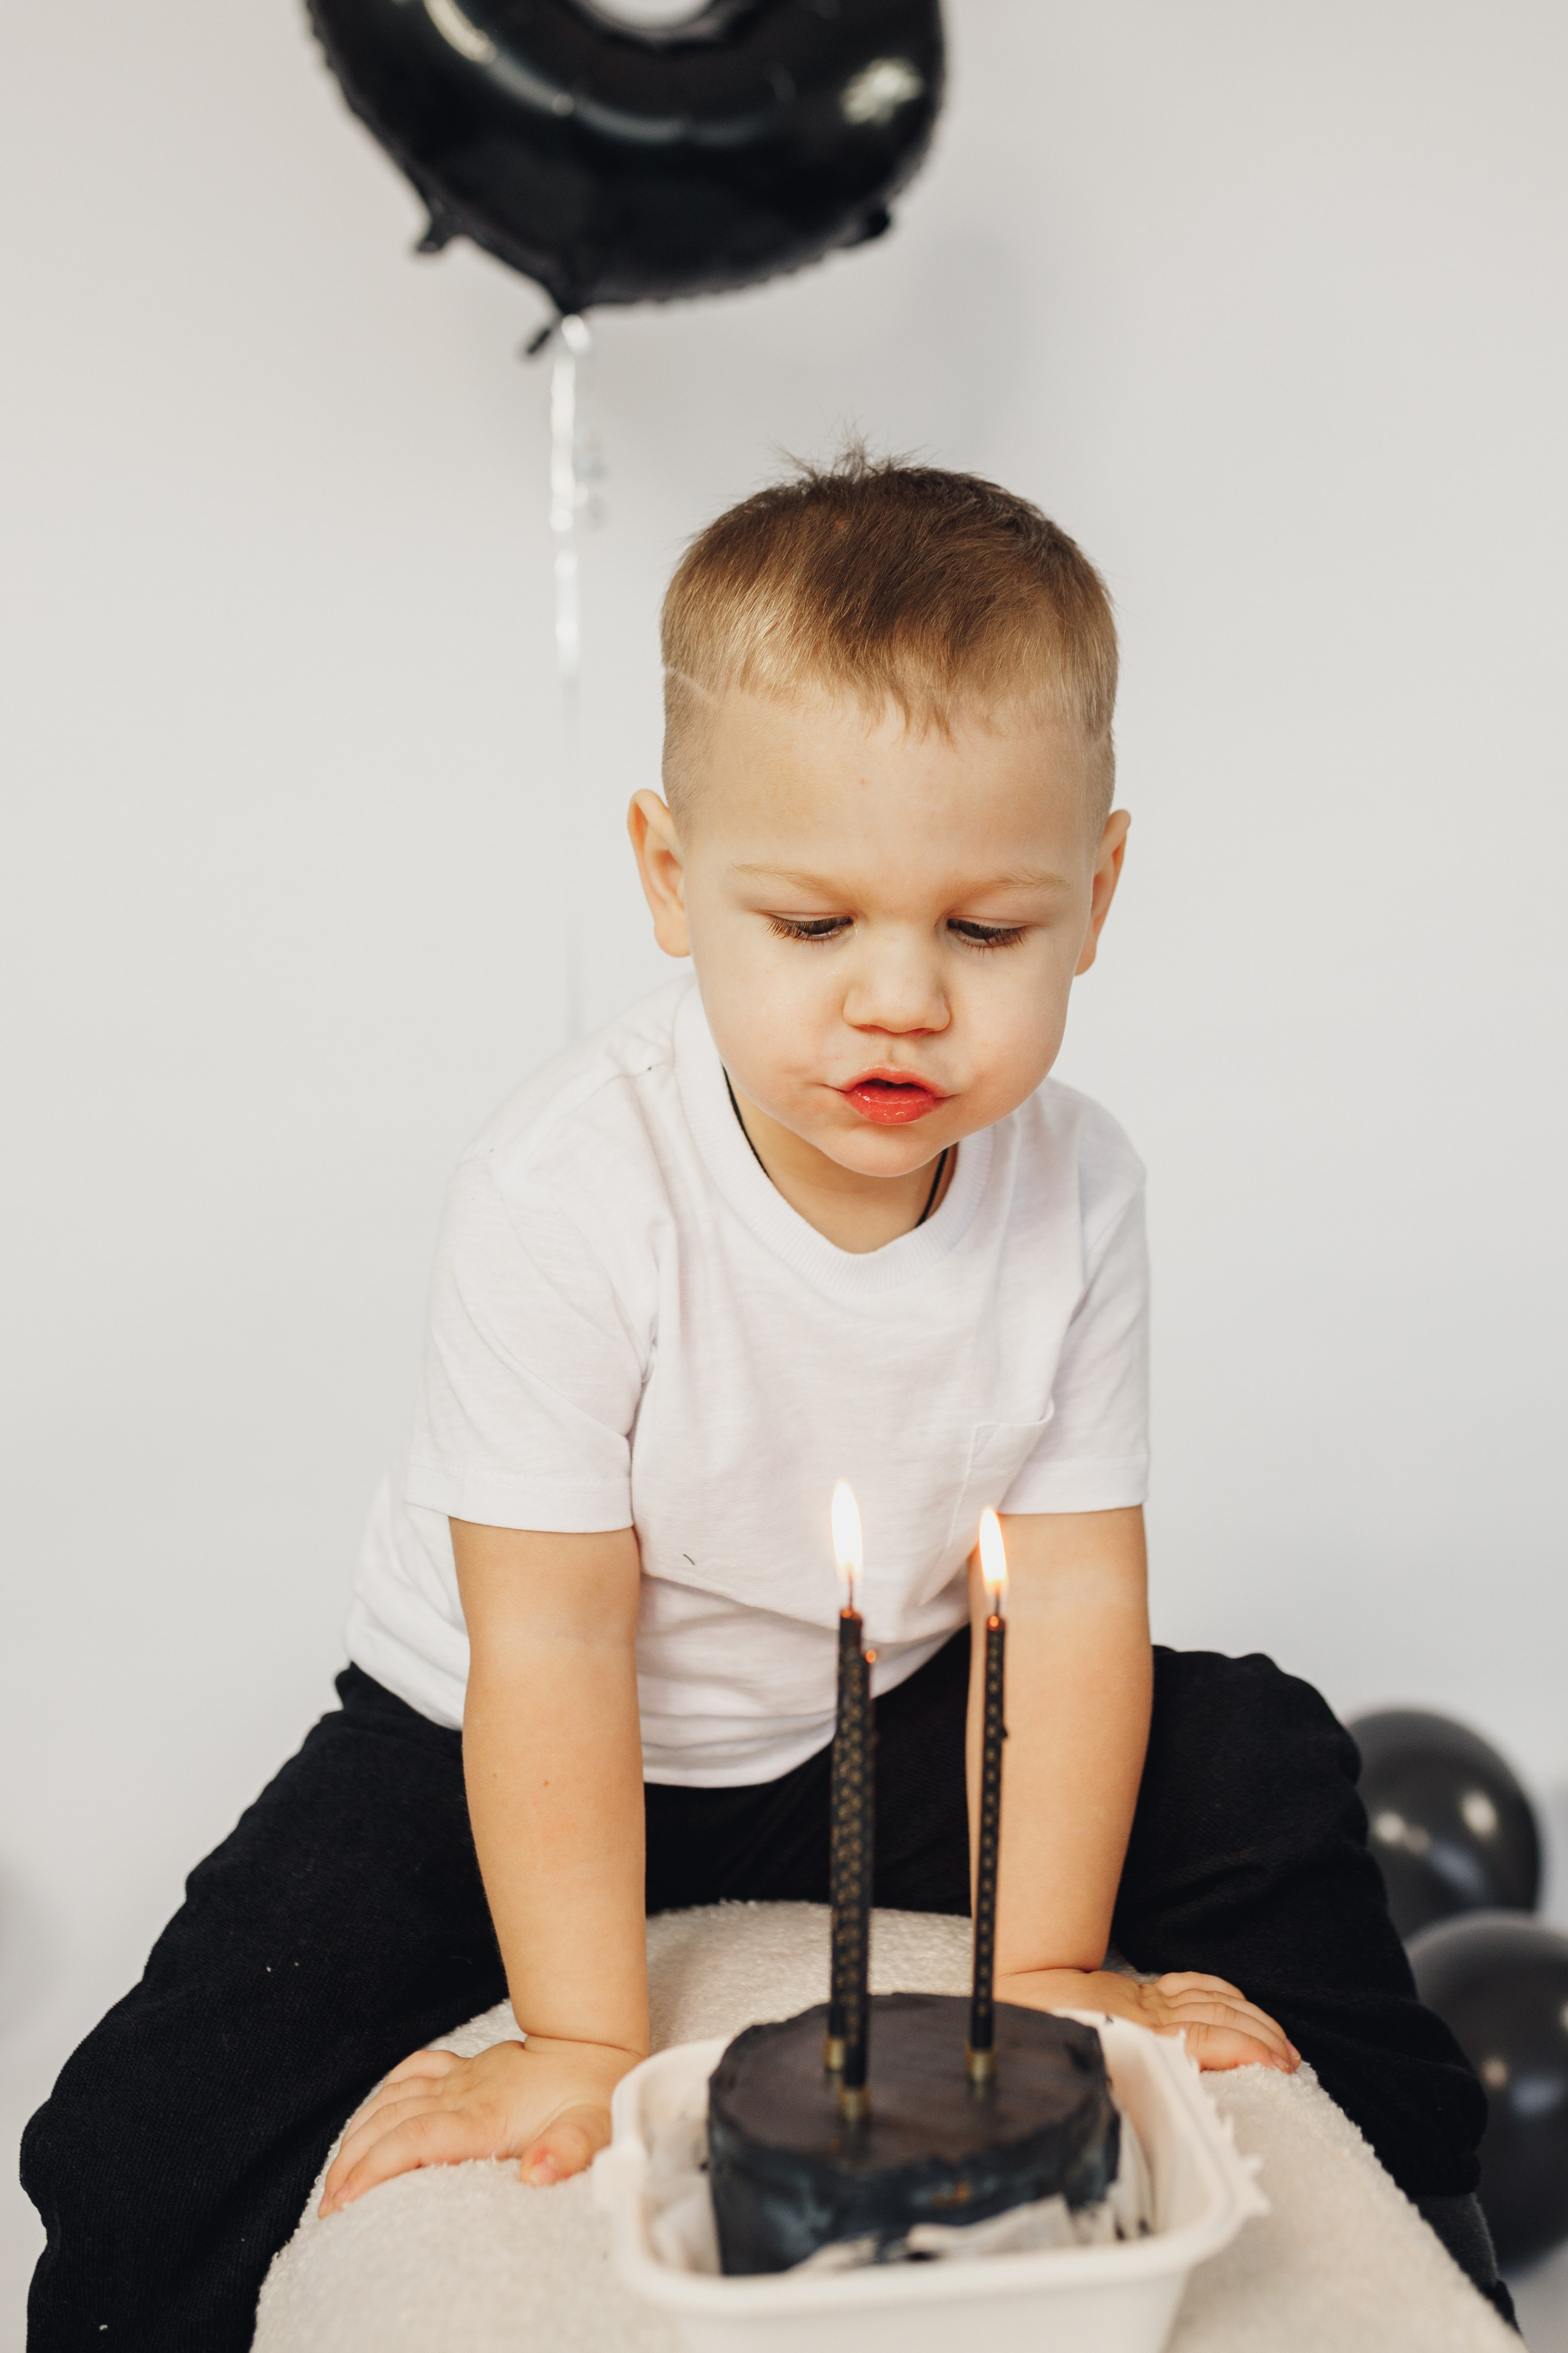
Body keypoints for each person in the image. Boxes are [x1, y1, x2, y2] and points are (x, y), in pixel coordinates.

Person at [22, 455, 1506, 2348]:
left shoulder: (1084, 1188)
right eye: (814, 927)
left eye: (985, 932)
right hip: (517, 1727)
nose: (901, 1000)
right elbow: (551, 1633)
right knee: (152, 2129)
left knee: (1264, 1758)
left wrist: (1048, 1957)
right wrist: (576, 2028)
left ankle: (1421, 2241)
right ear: (670, 876)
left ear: (1099, 893)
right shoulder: (570, 1192)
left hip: (877, 1722)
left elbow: (1060, 1598)